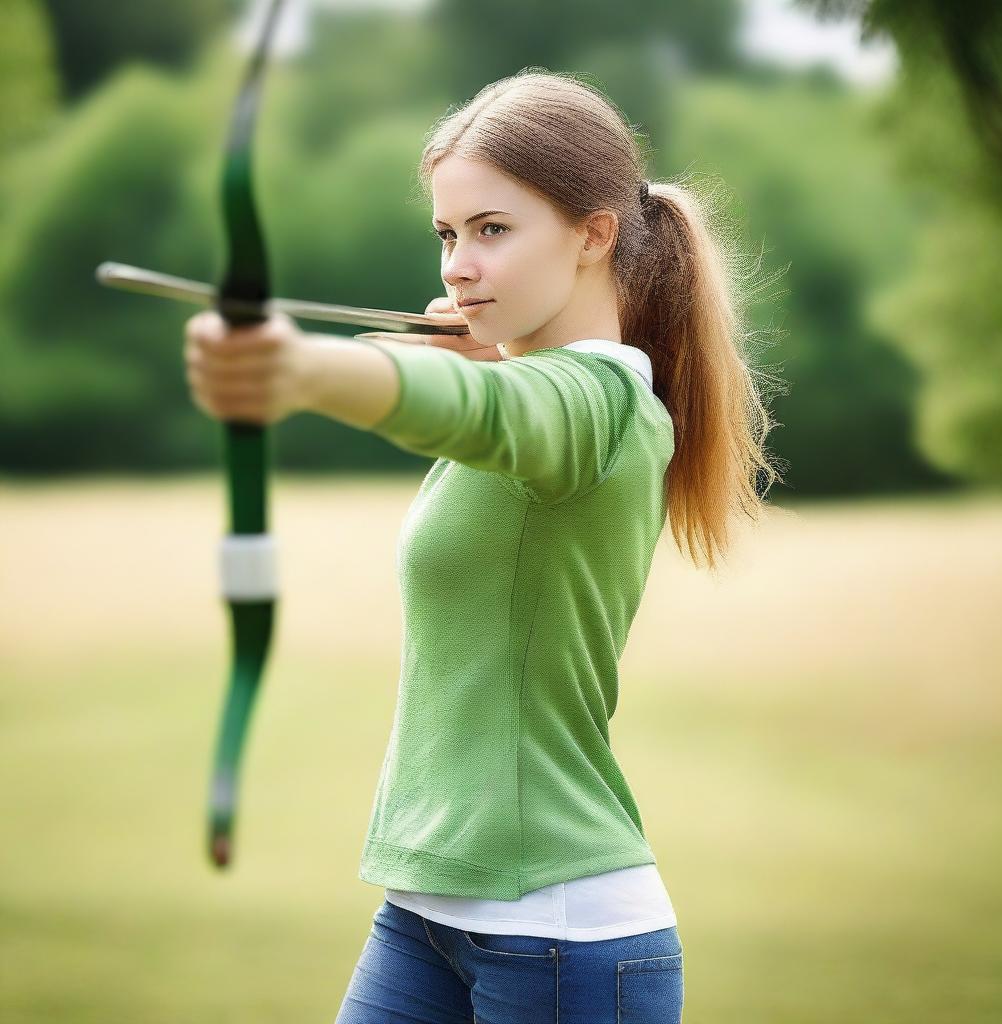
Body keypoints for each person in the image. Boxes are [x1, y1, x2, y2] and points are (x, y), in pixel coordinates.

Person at [183, 68, 784, 1024]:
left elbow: (488, 410)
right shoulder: (537, 393)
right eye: (448, 235)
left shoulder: (604, 404)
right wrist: (484, 360)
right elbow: (489, 406)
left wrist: (302, 367)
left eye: (493, 230)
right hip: (426, 917)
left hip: (560, 939)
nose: (457, 266)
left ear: (595, 234)